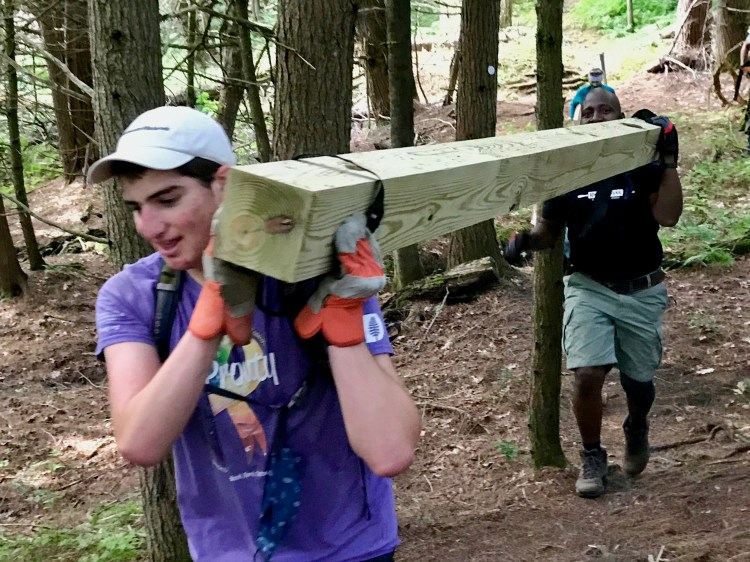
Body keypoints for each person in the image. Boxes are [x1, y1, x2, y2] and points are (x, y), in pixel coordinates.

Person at [88, 106, 421, 561]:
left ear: (224, 186)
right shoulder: (132, 296)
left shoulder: (315, 272)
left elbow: (390, 451)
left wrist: (344, 326)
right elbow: (140, 443)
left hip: (350, 549)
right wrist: (206, 326)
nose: (149, 226)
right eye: (136, 207)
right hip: (229, 552)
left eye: (167, 200)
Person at [504, 88, 683, 499]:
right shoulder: (569, 171)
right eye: (588, 112)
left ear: (621, 117)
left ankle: (636, 426)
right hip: (589, 286)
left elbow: (668, 216)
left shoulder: (640, 164)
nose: (597, 117)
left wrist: (668, 161)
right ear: (579, 120)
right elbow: (548, 232)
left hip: (641, 289)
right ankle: (592, 455)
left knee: (639, 383)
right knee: (586, 375)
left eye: (606, 110)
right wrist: (524, 242)